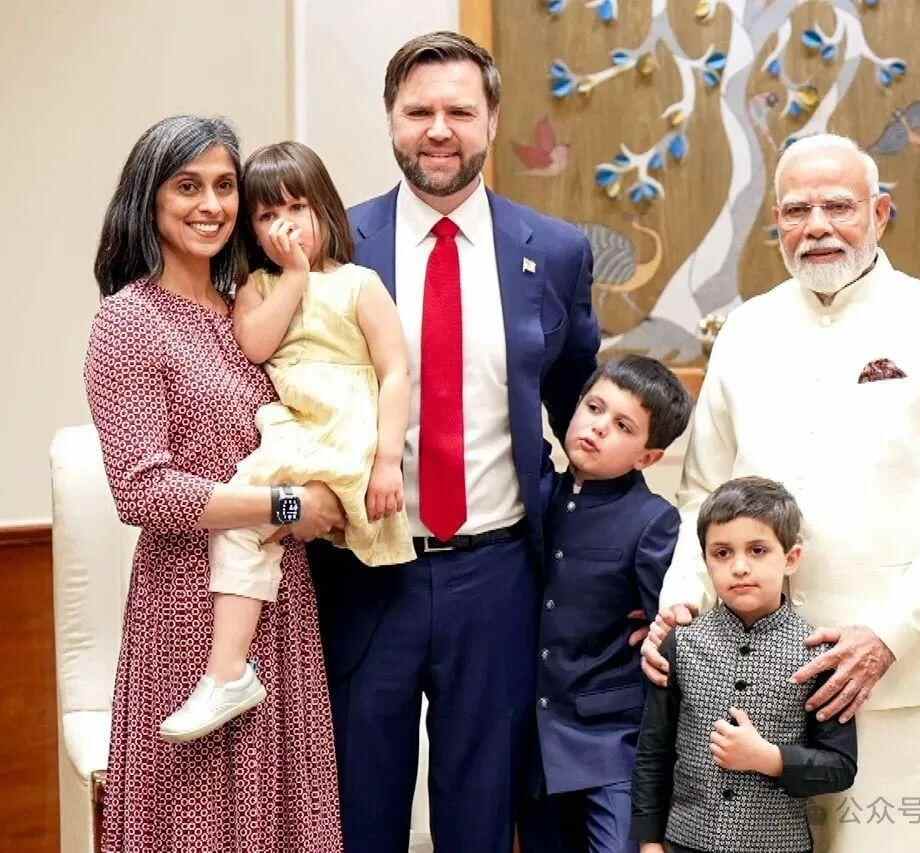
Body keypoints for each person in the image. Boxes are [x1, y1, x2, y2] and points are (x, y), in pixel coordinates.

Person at [640, 134, 920, 852]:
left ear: (880, 213)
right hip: (757, 691)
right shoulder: (746, 330)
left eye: (838, 206)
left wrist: (889, 634)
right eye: (796, 210)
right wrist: (679, 603)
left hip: (906, 678)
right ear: (776, 224)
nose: (816, 226)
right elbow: (703, 491)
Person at [306, 31, 600, 853]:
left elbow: (581, 410)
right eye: (419, 111)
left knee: (481, 817)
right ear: (390, 119)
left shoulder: (557, 252)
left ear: (493, 121)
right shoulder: (332, 246)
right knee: (360, 811)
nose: (439, 130)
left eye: (460, 112)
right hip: (366, 568)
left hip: (498, 577)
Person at [85, 116, 343, 851]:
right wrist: (290, 504)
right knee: (197, 821)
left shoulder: (250, 307)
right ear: (149, 199)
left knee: (284, 815)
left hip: (283, 604)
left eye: (225, 186)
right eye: (188, 186)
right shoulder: (128, 321)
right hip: (186, 613)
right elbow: (144, 492)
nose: (211, 205)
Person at [157, 141, 415, 742]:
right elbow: (255, 346)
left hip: (344, 431)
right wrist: (294, 276)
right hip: (295, 431)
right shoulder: (257, 286)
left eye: (297, 208)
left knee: (251, 518)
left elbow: (396, 371)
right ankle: (229, 672)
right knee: (247, 521)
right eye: (268, 215)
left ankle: (226, 672)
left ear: (325, 208)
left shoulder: (360, 284)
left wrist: (387, 462)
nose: (285, 225)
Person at [518, 355, 693, 853]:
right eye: (594, 408)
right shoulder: (540, 495)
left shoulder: (653, 520)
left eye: (623, 426)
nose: (598, 427)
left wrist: (663, 628)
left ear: (648, 458)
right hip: (535, 738)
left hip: (611, 741)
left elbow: (669, 633)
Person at [632, 477, 858, 853]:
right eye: (722, 553)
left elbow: (840, 767)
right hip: (686, 842)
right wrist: (649, 841)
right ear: (705, 561)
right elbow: (654, 751)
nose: (739, 567)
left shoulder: (820, 655)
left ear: (791, 558)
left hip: (780, 846)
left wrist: (769, 759)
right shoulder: (681, 643)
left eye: (757, 550)